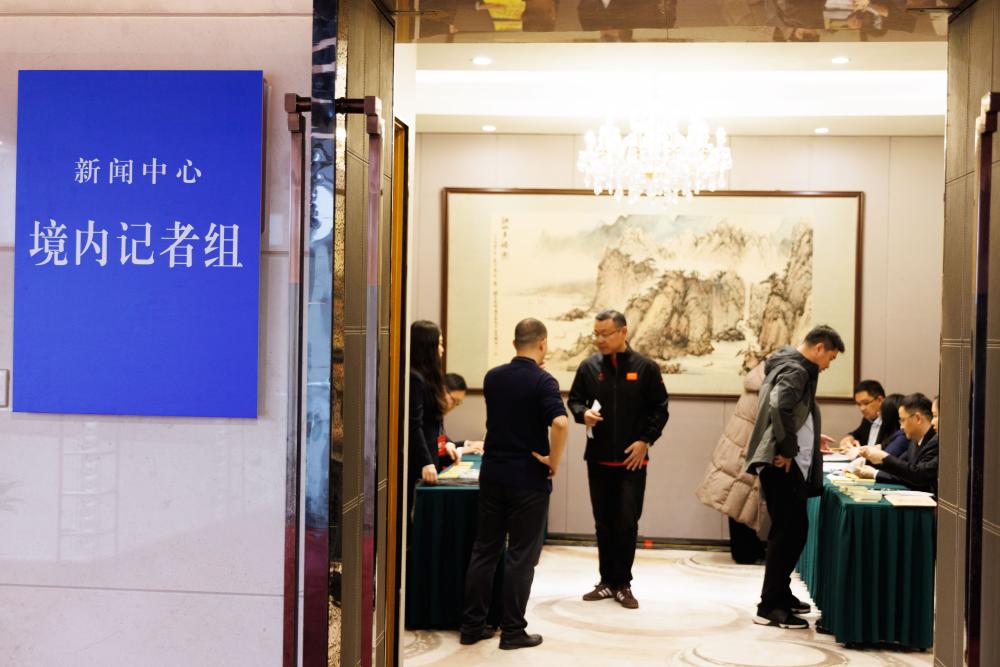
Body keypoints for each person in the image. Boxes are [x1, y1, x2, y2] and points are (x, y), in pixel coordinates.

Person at [460, 318, 568, 650]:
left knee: (485, 550)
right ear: (543, 343)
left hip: (493, 474)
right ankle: (512, 632)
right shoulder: (544, 381)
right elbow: (560, 423)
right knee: (521, 556)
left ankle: (472, 626)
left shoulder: (493, 377)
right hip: (528, 479)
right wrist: (553, 461)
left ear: (514, 343)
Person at [567, 309, 669, 610]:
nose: (599, 339)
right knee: (603, 523)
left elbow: (660, 409)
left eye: (605, 334)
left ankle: (623, 583)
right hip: (598, 458)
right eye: (596, 334)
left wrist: (645, 440)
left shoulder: (646, 367)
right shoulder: (588, 367)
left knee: (626, 523)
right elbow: (574, 400)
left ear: (623, 332)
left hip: (632, 461)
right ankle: (606, 582)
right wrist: (582, 414)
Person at [745, 324, 845, 629]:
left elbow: (792, 411)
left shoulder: (789, 364)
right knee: (788, 533)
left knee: (792, 531)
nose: (828, 365)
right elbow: (780, 405)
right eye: (830, 357)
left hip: (783, 462)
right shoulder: (797, 369)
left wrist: (812, 437)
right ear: (819, 348)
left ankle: (780, 594)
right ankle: (769, 606)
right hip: (782, 463)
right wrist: (788, 449)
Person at [696, 362, 769, 565]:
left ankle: (746, 550)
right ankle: (745, 553)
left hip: (737, 446)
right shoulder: (765, 388)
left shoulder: (756, 383)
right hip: (746, 448)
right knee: (740, 498)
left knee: (738, 499)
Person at [849, 392, 939, 496]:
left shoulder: (935, 441)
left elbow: (919, 476)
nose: (901, 427)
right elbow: (902, 469)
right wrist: (874, 462)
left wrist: (882, 458)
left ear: (918, 418)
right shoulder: (914, 440)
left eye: (903, 420)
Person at [407, 320, 452, 506]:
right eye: (439, 344)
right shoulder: (414, 378)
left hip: (432, 456)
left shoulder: (427, 377)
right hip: (419, 462)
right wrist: (426, 462)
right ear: (427, 347)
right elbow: (414, 426)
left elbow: (434, 423)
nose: (442, 349)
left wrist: (447, 444)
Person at [441, 373, 484, 464]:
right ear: (441, 390)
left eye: (457, 403)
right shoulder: (429, 415)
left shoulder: (438, 416)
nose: (453, 406)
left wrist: (467, 443)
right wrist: (463, 450)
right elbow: (436, 455)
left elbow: (445, 443)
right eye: (453, 400)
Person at [839, 380, 889, 450]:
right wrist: (849, 438)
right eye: (859, 404)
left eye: (866, 403)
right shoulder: (867, 419)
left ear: (880, 400)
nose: (862, 408)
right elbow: (857, 433)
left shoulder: (892, 422)